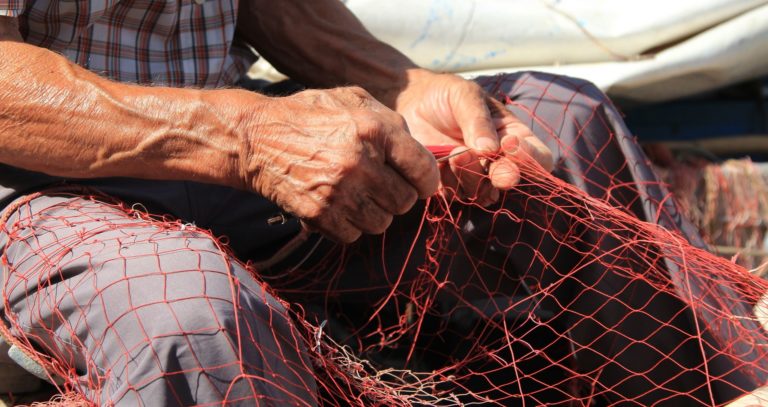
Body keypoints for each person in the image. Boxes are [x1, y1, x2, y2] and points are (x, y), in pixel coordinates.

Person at [0, 1, 756, 405]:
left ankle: (724, 390)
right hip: (43, 181)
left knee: (559, 119)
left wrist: (402, 86)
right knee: (193, 311)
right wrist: (248, 137)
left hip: (226, 135)